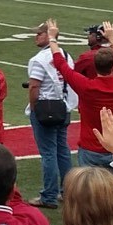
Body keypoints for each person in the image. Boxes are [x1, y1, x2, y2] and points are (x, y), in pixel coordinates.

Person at [52, 21, 113, 167]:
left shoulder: (87, 86)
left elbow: (61, 64)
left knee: (90, 188)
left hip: (90, 148)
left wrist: (52, 39)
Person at [26, 22, 73, 209]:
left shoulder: (38, 59)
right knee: (63, 150)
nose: (36, 37)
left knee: (48, 153)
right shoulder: (66, 56)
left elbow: (34, 86)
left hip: (45, 109)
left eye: (39, 34)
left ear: (48, 35)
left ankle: (49, 195)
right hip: (63, 106)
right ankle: (68, 191)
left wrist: (33, 107)